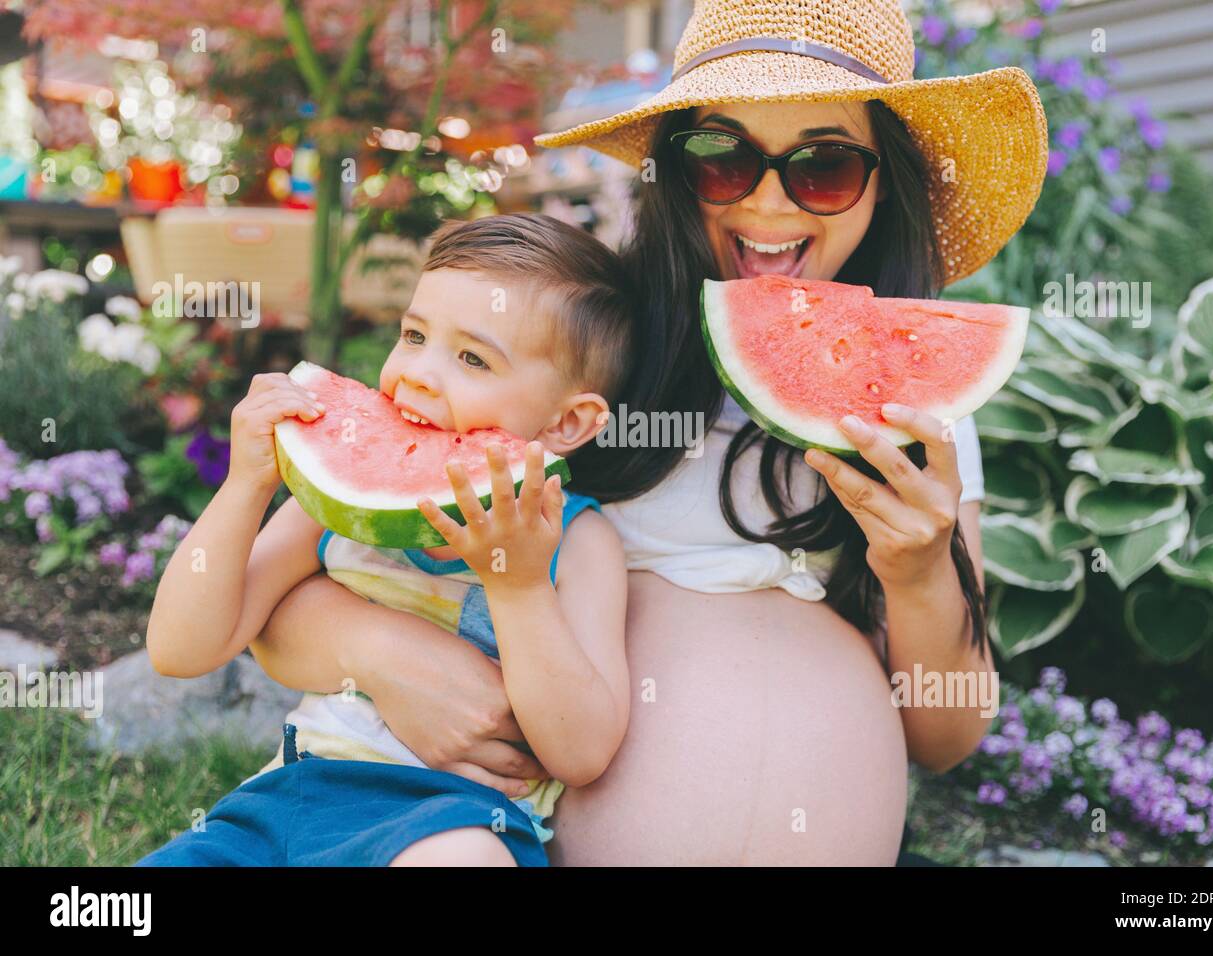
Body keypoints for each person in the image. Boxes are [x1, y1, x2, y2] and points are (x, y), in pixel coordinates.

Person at [251, 0, 1047, 865]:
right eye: (722, 156)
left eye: (824, 165)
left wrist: (921, 572)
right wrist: (381, 648)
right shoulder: (581, 355)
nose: (769, 201)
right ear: (673, 169)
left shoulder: (913, 405)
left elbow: (946, 735)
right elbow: (281, 599)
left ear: (885, 178)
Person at [137, 214, 634, 866]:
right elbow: (180, 648)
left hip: (447, 818)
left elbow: (583, 751)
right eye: (414, 334)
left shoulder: (578, 541)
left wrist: (517, 586)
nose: (419, 374)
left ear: (568, 421)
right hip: (291, 797)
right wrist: (246, 486)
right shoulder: (332, 510)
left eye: (472, 357)